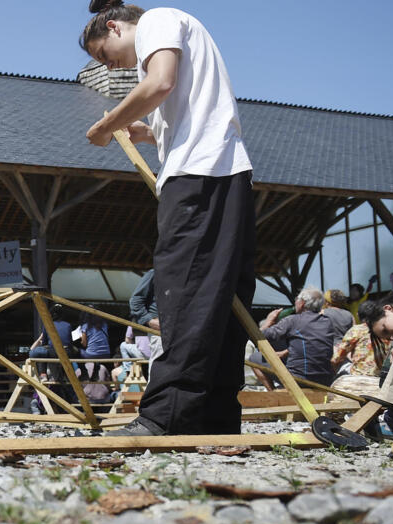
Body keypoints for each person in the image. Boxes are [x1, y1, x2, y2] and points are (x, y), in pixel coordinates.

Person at [81, 1, 256, 436]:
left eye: (104, 53)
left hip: (198, 176)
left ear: (114, 26)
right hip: (223, 173)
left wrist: (107, 126)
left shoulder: (158, 21)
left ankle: (166, 416)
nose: (112, 63)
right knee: (220, 300)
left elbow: (161, 84)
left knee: (186, 295)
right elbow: (172, 111)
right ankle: (215, 418)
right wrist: (142, 130)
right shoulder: (181, 34)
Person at [259, 287, 340, 386]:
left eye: (297, 299)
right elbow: (311, 343)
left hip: (299, 379)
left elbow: (261, 336)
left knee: (256, 358)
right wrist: (285, 353)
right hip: (325, 378)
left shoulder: (293, 320)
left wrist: (268, 321)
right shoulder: (327, 322)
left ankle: (275, 393)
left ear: (302, 303)